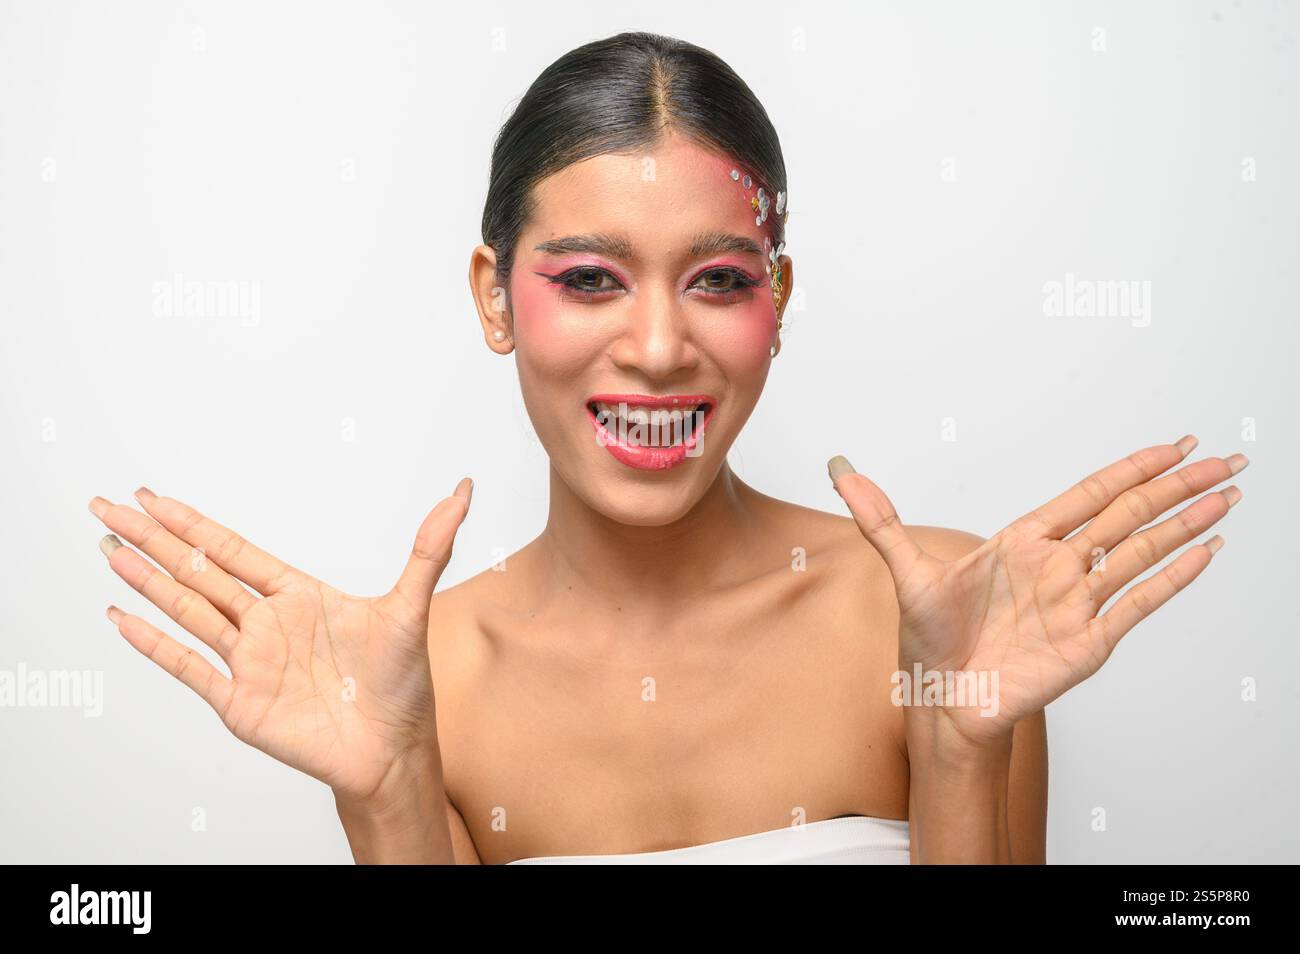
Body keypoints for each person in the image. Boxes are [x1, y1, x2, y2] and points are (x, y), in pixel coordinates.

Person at [87, 31, 1246, 864]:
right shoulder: (415, 682)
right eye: (588, 279)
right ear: (494, 297)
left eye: (719, 281)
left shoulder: (942, 616)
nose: (654, 347)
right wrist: (388, 797)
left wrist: (956, 747)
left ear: (778, 301)